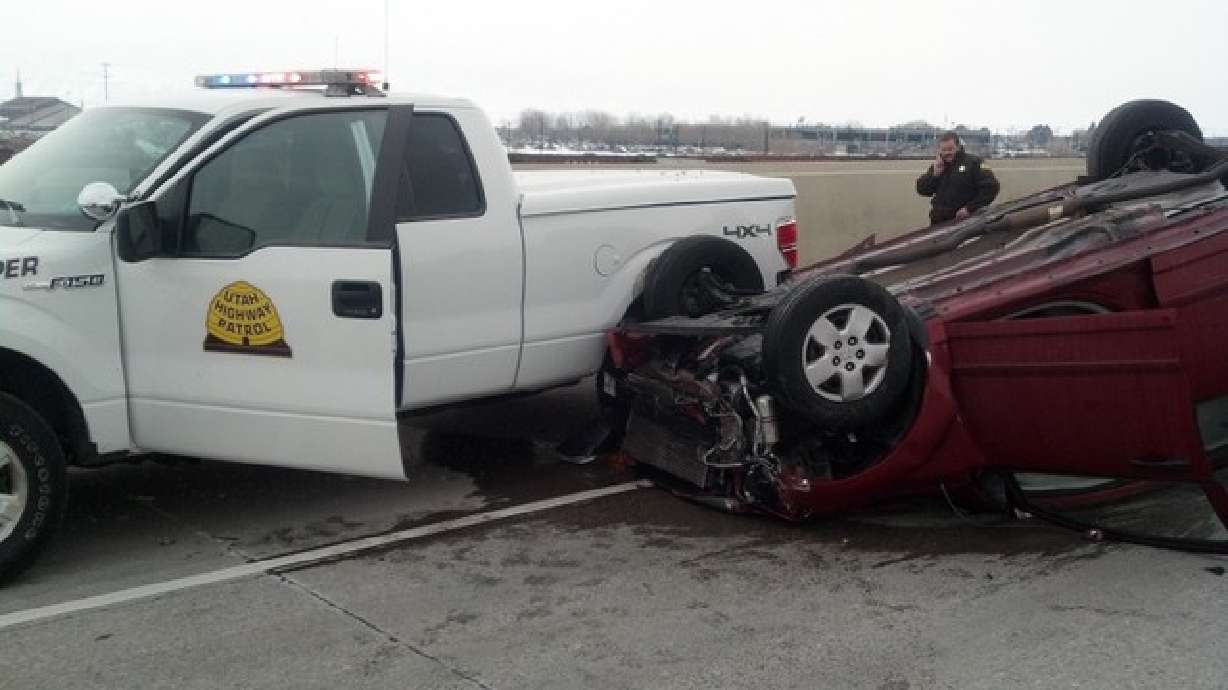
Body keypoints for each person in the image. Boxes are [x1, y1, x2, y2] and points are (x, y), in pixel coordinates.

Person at [916, 131, 1000, 224]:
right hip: (938, 221)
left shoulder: (974, 162)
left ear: (958, 147)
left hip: (965, 221)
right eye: (944, 150)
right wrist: (934, 175)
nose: (947, 152)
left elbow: (991, 188)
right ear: (939, 150)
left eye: (950, 149)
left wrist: (970, 208)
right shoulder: (938, 166)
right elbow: (922, 190)